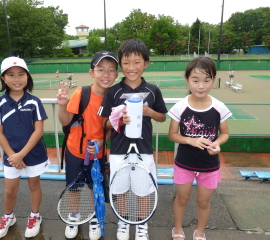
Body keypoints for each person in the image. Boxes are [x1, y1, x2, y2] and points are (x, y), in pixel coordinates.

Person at [98, 39, 168, 240]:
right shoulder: (113, 91)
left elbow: (162, 117)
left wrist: (149, 112)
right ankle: (123, 220)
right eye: (126, 62)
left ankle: (141, 224)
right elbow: (104, 124)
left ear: (146, 63)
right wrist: (117, 119)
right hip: (119, 150)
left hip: (144, 149)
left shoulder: (153, 90)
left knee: (143, 190)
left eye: (137, 62)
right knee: (119, 190)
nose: (131, 67)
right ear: (121, 64)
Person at [168, 56, 232, 240]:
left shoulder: (219, 107)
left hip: (209, 164)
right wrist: (191, 140)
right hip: (184, 163)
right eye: (195, 80)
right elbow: (172, 134)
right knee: (182, 199)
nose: (201, 85)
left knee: (203, 201)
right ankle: (178, 229)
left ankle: (200, 232)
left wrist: (217, 144)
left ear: (213, 79)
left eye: (207, 80)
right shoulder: (181, 106)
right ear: (187, 80)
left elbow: (225, 134)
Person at [57, 51, 119, 240]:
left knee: (95, 187)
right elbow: (66, 120)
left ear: (116, 74)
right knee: (74, 187)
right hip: (75, 150)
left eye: (111, 70)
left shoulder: (114, 98)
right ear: (92, 73)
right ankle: (74, 215)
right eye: (101, 70)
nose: (106, 74)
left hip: (98, 154)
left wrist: (103, 141)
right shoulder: (81, 93)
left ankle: (92, 217)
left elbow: (111, 126)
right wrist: (61, 104)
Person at [0, 56, 50, 239]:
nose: (17, 79)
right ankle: (9, 216)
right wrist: (12, 156)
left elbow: (38, 131)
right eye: (11, 75)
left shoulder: (34, 102)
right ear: (3, 78)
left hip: (34, 154)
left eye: (21, 74)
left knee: (34, 185)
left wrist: (21, 154)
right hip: (11, 157)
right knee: (10, 190)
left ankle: (35, 215)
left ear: (27, 76)